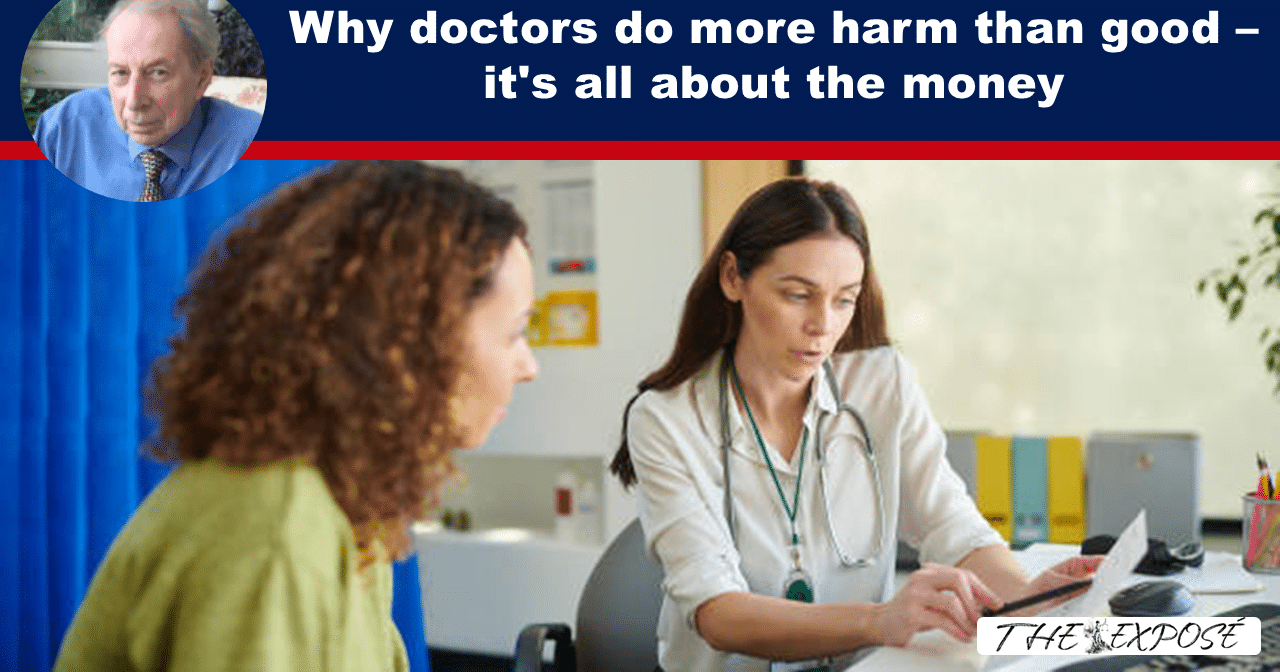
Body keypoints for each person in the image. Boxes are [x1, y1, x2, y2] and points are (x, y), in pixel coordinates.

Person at [54, 161, 538, 671]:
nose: (528, 367)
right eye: (514, 334)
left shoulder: (350, 512)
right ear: (407, 342)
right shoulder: (275, 524)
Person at [610, 178, 1102, 672]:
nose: (822, 325)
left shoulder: (882, 384)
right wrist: (879, 620)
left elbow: (953, 526)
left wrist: (1024, 598)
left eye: (844, 299)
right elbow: (717, 613)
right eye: (798, 295)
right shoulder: (666, 419)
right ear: (733, 277)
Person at [34, 0, 262, 202]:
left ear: (202, 77)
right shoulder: (63, 130)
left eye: (158, 73)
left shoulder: (250, 144)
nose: (134, 101)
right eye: (121, 73)